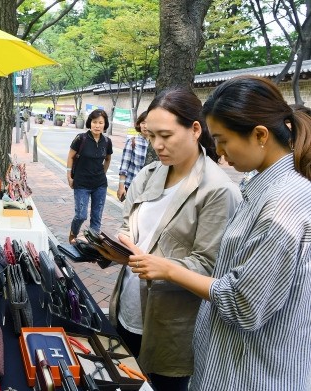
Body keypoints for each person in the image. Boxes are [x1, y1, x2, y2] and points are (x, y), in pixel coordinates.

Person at [127, 76, 311, 391]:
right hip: (231, 362)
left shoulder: (283, 204)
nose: (221, 153)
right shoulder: (263, 189)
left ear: (260, 135)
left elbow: (244, 302)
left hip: (254, 374)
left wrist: (169, 269)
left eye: (223, 140)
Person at [98, 88, 242, 391]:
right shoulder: (151, 173)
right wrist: (118, 244)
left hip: (172, 326)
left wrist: (162, 266)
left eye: (165, 135)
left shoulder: (217, 190)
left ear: (195, 129)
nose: (157, 145)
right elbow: (130, 224)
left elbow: (211, 266)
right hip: (128, 308)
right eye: (151, 136)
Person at [66, 109, 113, 243]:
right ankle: (73, 232)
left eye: (100, 123)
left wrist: (102, 173)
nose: (97, 125)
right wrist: (69, 176)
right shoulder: (81, 138)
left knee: (97, 216)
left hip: (100, 184)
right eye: (94, 122)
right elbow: (70, 157)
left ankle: (92, 245)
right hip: (81, 183)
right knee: (81, 215)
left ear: (105, 125)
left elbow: (108, 159)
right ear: (90, 123)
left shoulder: (107, 141)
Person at [117, 111, 149, 201]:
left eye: (149, 123)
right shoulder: (133, 141)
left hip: (149, 189)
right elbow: (124, 167)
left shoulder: (157, 144)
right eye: (143, 123)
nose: (145, 126)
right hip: (133, 187)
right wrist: (121, 187)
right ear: (139, 124)